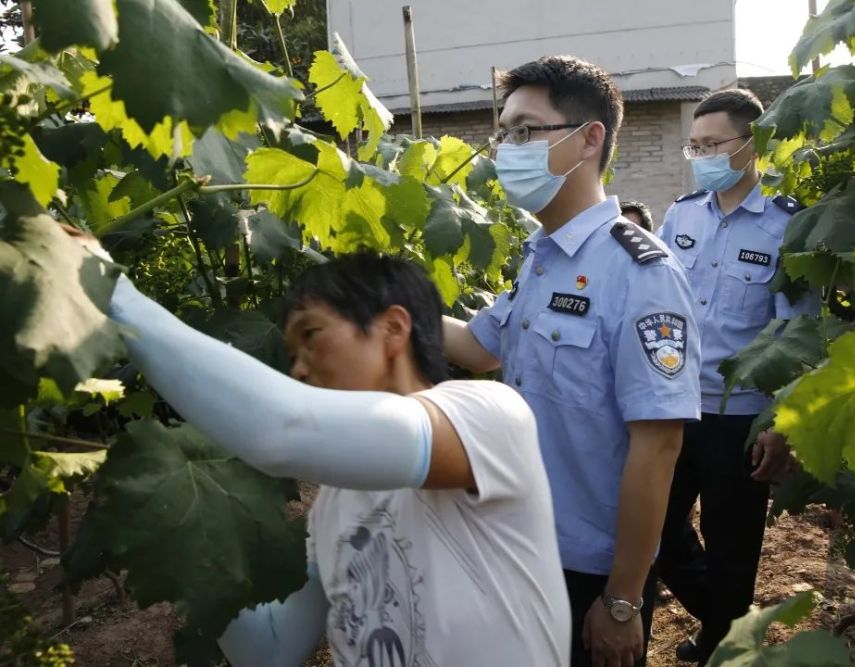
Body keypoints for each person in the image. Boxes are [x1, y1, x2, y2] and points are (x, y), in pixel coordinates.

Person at [72, 237, 571, 666]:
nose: (299, 372)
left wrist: (111, 292)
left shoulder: (487, 415)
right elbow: (270, 650)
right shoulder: (334, 504)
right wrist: (183, 529)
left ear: (392, 330)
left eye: (311, 336)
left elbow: (283, 428)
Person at [442, 55, 702, 667]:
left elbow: (658, 447)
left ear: (589, 140)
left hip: (589, 571)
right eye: (503, 133)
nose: (508, 149)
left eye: (526, 131)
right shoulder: (542, 258)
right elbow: (481, 349)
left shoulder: (643, 275)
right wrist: (390, 302)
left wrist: (622, 600)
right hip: (520, 546)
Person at [655, 88, 820, 664]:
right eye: (694, 145)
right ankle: (724, 617)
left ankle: (721, 647)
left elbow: (795, 334)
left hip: (741, 415)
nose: (701, 155)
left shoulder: (785, 225)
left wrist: (781, 423)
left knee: (734, 548)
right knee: (658, 536)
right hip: (673, 406)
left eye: (713, 143)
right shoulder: (681, 213)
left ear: (752, 145)